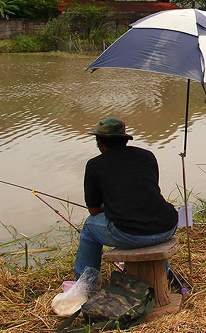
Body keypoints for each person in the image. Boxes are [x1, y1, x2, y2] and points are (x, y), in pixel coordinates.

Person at [74, 117, 178, 279]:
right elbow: (147, 193)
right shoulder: (147, 156)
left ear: (100, 142)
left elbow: (94, 210)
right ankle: (162, 275)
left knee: (88, 228)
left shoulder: (95, 165)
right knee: (147, 220)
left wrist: (107, 206)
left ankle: (85, 284)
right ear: (124, 140)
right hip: (167, 227)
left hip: (131, 235)